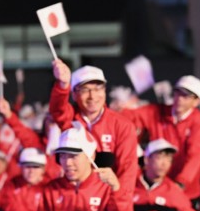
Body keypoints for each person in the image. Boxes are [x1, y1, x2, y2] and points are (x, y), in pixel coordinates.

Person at [49, 60, 139, 200]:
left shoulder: (122, 125)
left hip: (107, 197)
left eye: (98, 88)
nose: (92, 96)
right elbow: (57, 110)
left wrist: (121, 200)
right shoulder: (70, 119)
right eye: (85, 90)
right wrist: (63, 84)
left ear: (104, 90)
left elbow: (127, 169)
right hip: (76, 194)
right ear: (74, 94)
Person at [120, 75, 200, 205]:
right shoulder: (157, 111)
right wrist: (124, 108)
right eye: (177, 93)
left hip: (185, 191)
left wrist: (181, 183)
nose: (179, 99)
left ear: (196, 102)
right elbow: (126, 118)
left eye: (186, 96)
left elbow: (195, 155)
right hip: (155, 187)